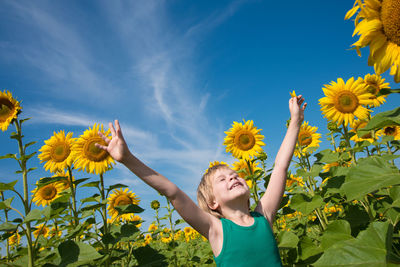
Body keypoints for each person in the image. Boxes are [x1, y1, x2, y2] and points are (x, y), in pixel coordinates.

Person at [95, 95, 306, 267]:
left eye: (235, 174)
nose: (233, 176)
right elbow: (172, 192)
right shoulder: (216, 229)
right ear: (213, 203)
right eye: (222, 179)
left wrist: (295, 121)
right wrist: (128, 159)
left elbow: (280, 167)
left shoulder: (264, 216)